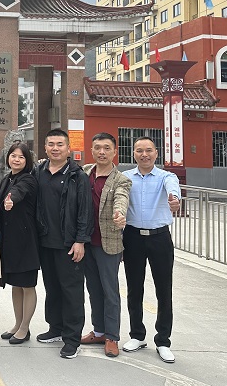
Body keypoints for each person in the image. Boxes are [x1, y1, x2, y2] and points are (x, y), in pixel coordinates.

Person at [121, 136, 181, 364]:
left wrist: (174, 200)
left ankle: (163, 341)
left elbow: (173, 190)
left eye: (148, 150)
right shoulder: (126, 178)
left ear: (156, 153)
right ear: (133, 154)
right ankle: (137, 335)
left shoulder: (167, 177)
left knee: (164, 290)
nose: (144, 154)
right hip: (133, 237)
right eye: (139, 150)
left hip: (159, 238)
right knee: (134, 288)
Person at [34, 128, 93, 359]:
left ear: (68, 148)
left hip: (69, 244)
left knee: (71, 292)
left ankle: (72, 338)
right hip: (45, 241)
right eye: (51, 144)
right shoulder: (39, 171)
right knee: (52, 288)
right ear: (45, 147)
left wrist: (80, 240)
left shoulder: (78, 176)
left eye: (60, 144)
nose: (55, 148)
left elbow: (85, 211)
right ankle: (55, 328)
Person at [79, 132, 131, 358]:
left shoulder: (121, 180)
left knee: (110, 291)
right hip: (86, 242)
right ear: (91, 150)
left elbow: (121, 198)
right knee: (93, 288)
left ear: (114, 152)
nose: (102, 152)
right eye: (98, 147)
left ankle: (112, 336)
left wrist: (119, 214)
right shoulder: (84, 172)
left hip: (108, 243)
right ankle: (99, 331)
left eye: (107, 148)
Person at [0, 143, 39, 345]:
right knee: (16, 285)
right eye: (13, 156)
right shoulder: (6, 178)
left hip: (26, 241)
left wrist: (11, 199)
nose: (16, 160)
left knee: (27, 285)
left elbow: (19, 192)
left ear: (27, 160)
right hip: (11, 242)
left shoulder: (28, 179)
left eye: (21, 157)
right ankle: (17, 324)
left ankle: (25, 328)